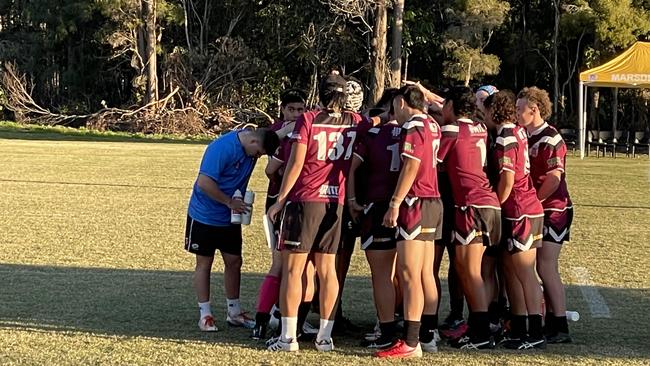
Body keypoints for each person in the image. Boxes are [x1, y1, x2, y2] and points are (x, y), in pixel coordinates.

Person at [266, 73, 365, 352]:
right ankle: (325, 336)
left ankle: (288, 337)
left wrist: (279, 200)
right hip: (337, 202)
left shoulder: (309, 119)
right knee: (327, 270)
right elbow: (375, 122)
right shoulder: (355, 121)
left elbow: (296, 164)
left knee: (293, 270)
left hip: (306, 199)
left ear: (320, 94)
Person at [185, 127, 280, 332]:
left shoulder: (255, 142)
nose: (257, 158)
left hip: (230, 218)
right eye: (258, 153)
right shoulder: (222, 148)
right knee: (204, 263)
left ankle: (234, 312)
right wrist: (229, 202)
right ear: (253, 142)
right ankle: (205, 314)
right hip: (204, 214)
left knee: (234, 261)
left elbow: (281, 133)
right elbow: (204, 182)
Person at [375, 85, 443, 358]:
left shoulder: (413, 125)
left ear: (402, 102)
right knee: (426, 273)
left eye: (394, 107)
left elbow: (411, 165)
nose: (393, 113)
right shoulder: (433, 124)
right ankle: (427, 335)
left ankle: (412, 342)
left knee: (409, 273)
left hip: (415, 201)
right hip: (434, 201)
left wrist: (394, 203)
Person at [437, 86, 501, 350]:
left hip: (471, 205)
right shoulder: (480, 128)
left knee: (468, 271)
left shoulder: (451, 131)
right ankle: (479, 327)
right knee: (472, 270)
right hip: (488, 202)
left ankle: (481, 332)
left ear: (451, 105)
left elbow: (433, 161)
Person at [487, 90, 545, 350]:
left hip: (520, 208)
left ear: (494, 111)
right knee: (516, 273)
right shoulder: (517, 131)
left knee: (525, 273)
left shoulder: (506, 135)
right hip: (525, 206)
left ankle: (535, 332)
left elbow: (508, 179)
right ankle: (521, 327)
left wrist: (495, 206)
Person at [517, 86, 574, 344]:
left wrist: (535, 201)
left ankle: (559, 324)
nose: (517, 113)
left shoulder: (551, 138)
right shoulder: (523, 135)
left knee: (545, 265)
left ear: (534, 109)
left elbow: (553, 178)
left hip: (554, 208)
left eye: (520, 109)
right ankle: (548, 318)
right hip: (538, 207)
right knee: (533, 265)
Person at [251, 89, 307, 340]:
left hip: (303, 202)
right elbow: (269, 168)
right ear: (282, 109)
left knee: (302, 266)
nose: (296, 113)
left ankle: (289, 319)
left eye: (300, 109)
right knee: (281, 263)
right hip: (279, 202)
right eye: (291, 109)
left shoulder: (308, 127)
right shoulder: (276, 133)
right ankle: (262, 321)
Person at [347, 97, 401, 349]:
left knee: (381, 274)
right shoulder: (419, 129)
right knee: (411, 274)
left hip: (378, 205)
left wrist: (352, 199)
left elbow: (353, 167)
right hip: (410, 206)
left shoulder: (373, 132)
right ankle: (420, 329)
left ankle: (387, 328)